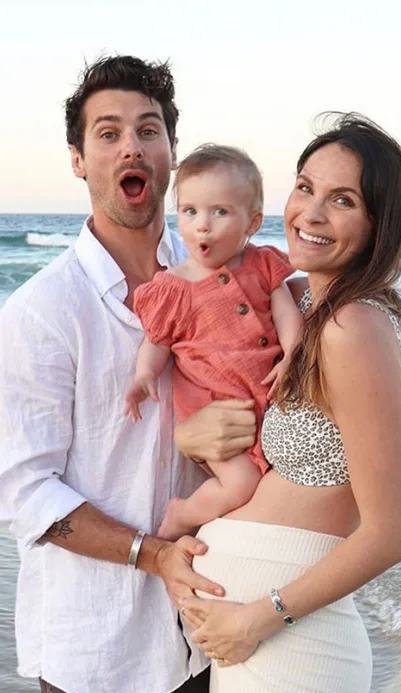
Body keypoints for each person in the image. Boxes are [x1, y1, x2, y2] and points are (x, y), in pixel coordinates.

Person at [0, 55, 245, 693]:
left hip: (219, 627)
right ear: (78, 160)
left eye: (149, 128)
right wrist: (154, 552)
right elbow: (26, 491)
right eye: (107, 133)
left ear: (171, 152)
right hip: (105, 654)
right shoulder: (42, 312)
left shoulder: (219, 279)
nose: (131, 145)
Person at [171, 114, 401, 693]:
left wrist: (259, 616)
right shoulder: (300, 301)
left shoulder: (354, 327)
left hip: (288, 643)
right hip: (247, 636)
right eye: (305, 187)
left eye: (343, 200)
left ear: (376, 224)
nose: (310, 212)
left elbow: (391, 534)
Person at [125, 144, 304, 540]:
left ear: (252, 222)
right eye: (190, 212)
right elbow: (156, 342)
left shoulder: (262, 264)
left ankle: (234, 540)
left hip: (263, 399)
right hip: (213, 408)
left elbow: (285, 311)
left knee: (277, 477)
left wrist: (292, 352)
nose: (202, 225)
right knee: (240, 484)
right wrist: (143, 375)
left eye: (220, 212)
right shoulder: (175, 287)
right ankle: (183, 516)